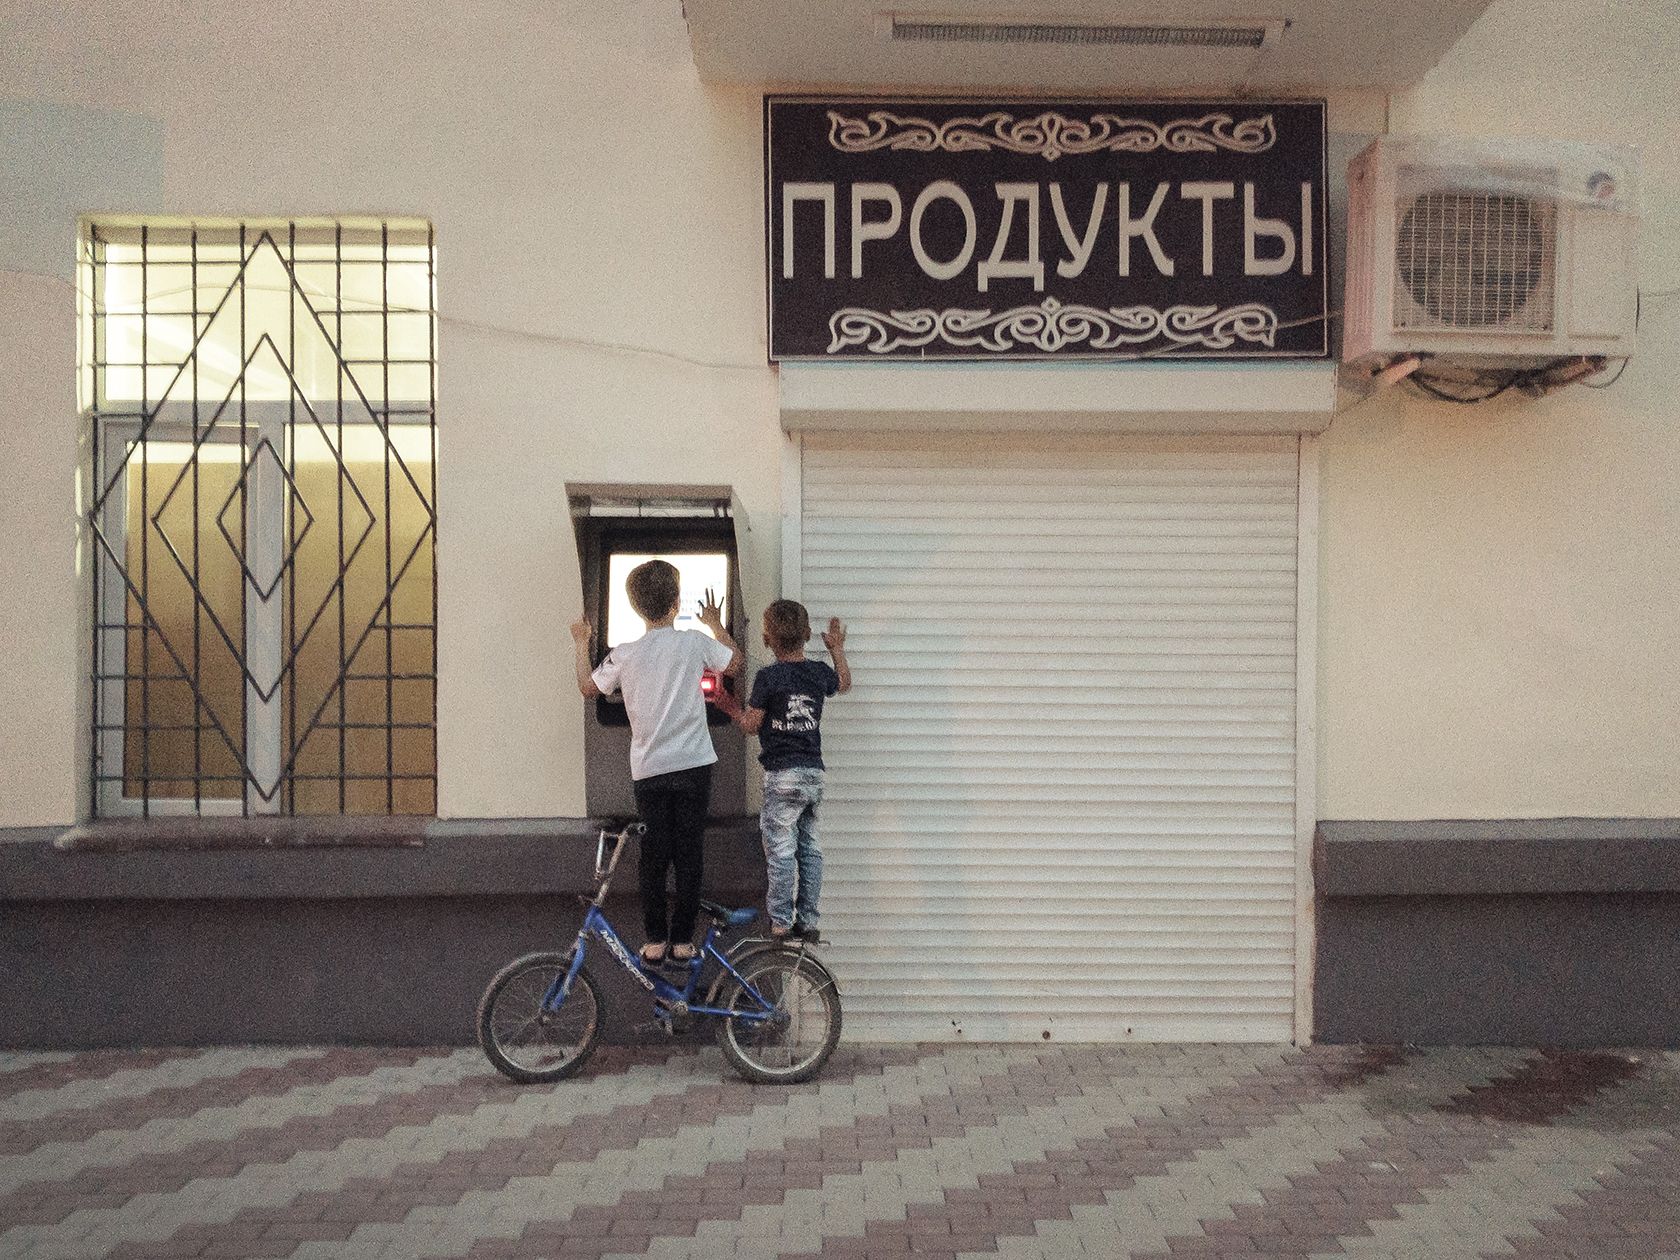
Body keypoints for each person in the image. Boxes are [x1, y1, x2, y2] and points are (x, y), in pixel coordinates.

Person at [570, 560, 741, 965]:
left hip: (649, 769)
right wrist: (715, 624)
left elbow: (587, 688)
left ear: (635, 607)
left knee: (654, 854)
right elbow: (734, 663)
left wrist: (581, 640)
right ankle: (682, 941)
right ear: (677, 602)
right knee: (689, 852)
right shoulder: (695, 642)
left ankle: (654, 939)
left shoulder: (625, 654)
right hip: (695, 764)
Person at [723, 600, 851, 941]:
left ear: (766, 639)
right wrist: (837, 649)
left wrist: (729, 706)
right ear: (807, 634)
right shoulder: (818, 672)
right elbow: (843, 682)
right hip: (813, 774)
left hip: (783, 775)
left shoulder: (768, 678)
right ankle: (807, 921)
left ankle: (780, 921)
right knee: (809, 847)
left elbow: (751, 725)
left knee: (781, 850)